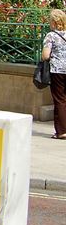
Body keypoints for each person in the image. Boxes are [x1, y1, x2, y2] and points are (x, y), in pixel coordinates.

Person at [41, 9, 66, 139]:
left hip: (58, 71)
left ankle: (61, 131)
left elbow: (45, 55)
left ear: (54, 22)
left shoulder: (51, 36)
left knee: (60, 100)